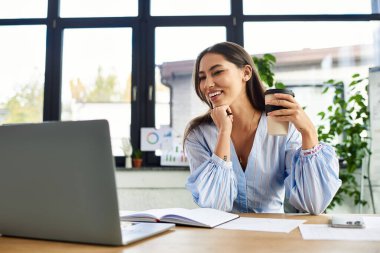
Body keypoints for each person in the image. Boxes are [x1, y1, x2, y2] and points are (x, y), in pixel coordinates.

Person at [184, 41, 341, 214]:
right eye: (202, 77)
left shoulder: (281, 125)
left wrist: (309, 132)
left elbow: (313, 204)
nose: (208, 84)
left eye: (217, 72)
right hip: (222, 235)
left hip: (274, 235)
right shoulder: (198, 135)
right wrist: (224, 132)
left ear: (245, 73)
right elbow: (215, 207)